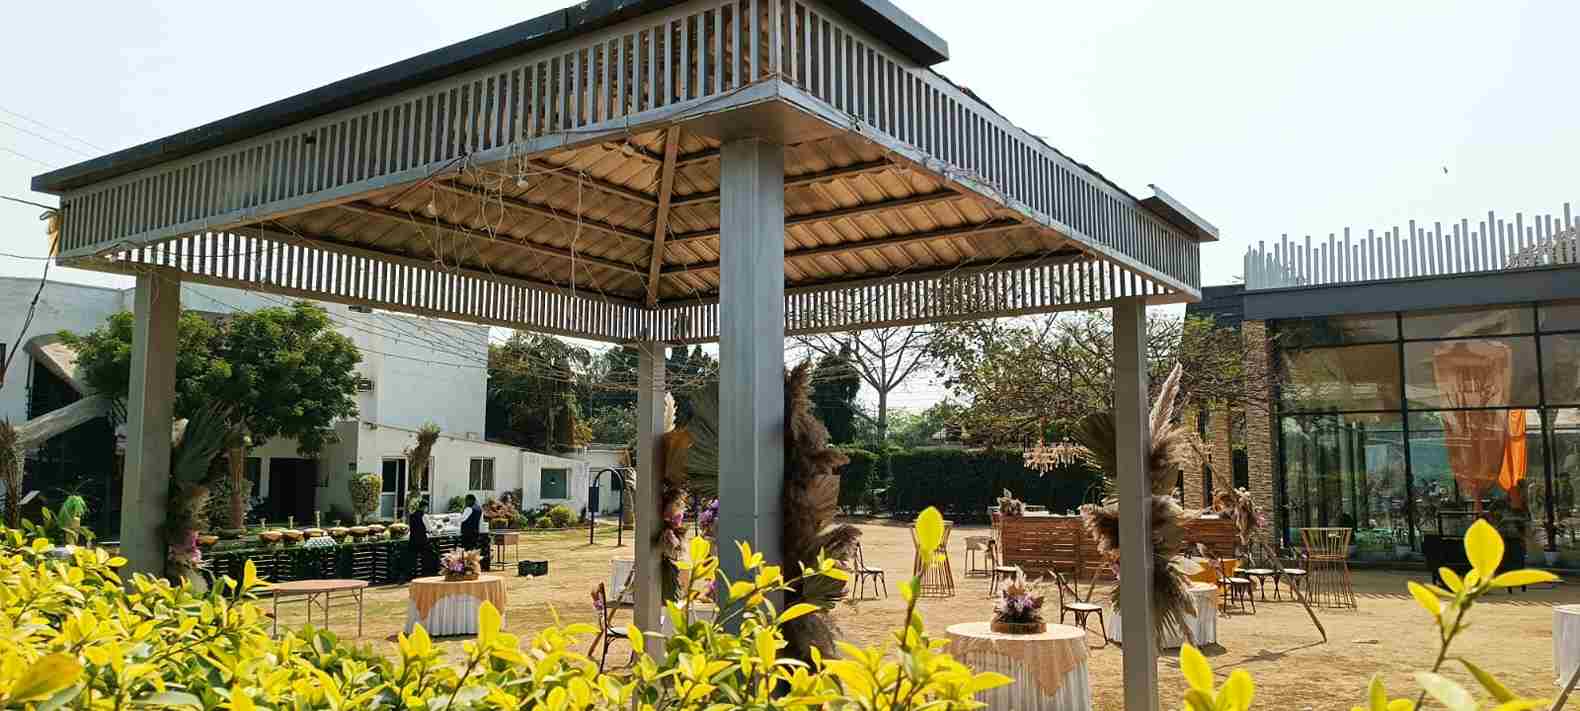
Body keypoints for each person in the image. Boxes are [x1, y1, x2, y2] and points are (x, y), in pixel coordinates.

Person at [407, 497, 434, 579]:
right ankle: (424, 574)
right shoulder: (424, 516)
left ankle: (413, 575)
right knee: (425, 558)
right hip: (422, 540)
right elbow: (429, 529)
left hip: (413, 539)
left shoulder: (411, 515)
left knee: (413, 559)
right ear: (424, 507)